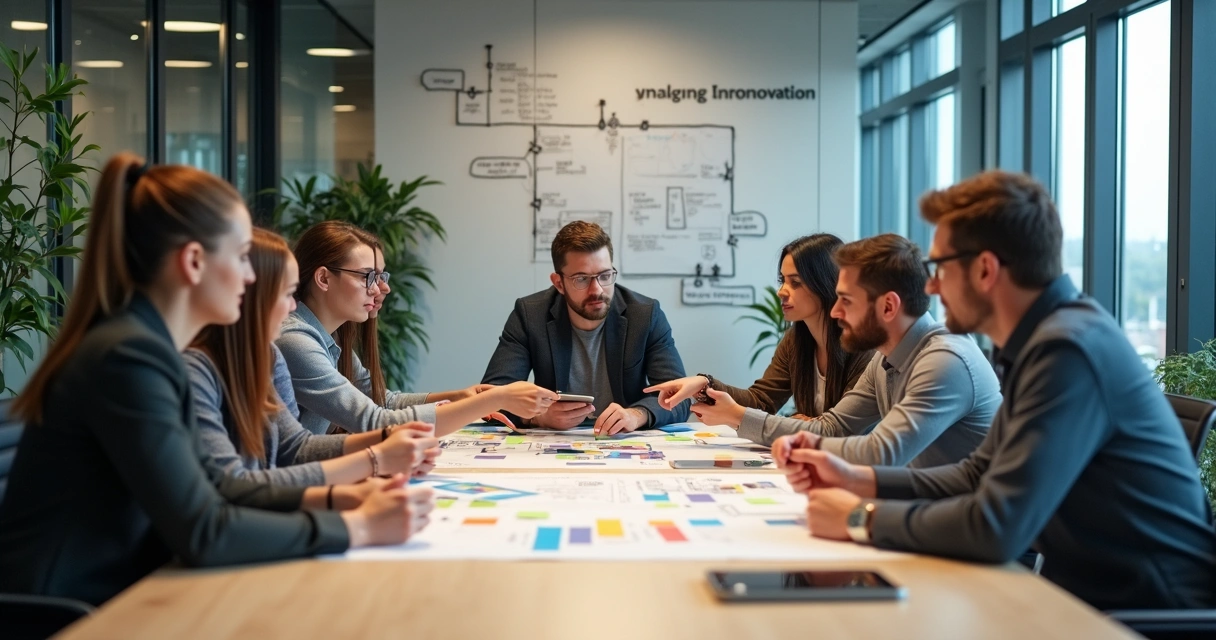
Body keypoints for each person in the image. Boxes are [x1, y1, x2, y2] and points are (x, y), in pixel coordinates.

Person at [0, 154, 433, 606]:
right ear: (193, 262)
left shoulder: (148, 348)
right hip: (71, 613)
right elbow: (205, 530)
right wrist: (357, 527)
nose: (251, 278)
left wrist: (341, 501)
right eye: (243, 256)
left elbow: (223, 486)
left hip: (129, 589)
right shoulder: (128, 358)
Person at [775, 171, 1216, 610]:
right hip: (1085, 596)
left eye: (939, 268)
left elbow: (995, 526)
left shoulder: (1067, 349)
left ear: (985, 269)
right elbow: (976, 474)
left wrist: (859, 517)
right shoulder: (1047, 338)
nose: (930, 286)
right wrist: (858, 478)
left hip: (1144, 615)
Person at [693, 234, 1000, 468]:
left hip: (980, 532)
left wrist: (794, 442)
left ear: (889, 306)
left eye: (846, 301)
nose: (836, 312)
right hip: (937, 508)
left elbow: (881, 452)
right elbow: (835, 429)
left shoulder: (944, 361)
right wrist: (794, 434)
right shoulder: (886, 359)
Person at [187, 228, 441, 486]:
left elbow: (295, 448)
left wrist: (382, 452)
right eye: (285, 294)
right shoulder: (289, 341)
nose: (292, 306)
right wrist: (376, 457)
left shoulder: (270, 353)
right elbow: (234, 489)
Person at [277, 220, 558, 436]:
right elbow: (374, 421)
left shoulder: (326, 339)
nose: (381, 288)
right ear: (324, 278)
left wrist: (458, 396)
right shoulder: (297, 342)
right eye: (368, 276)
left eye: (381, 276)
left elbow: (381, 400)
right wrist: (496, 398)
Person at [482, 221, 690, 434]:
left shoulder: (645, 315)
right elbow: (488, 397)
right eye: (581, 279)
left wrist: (636, 415)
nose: (597, 289)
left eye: (605, 276)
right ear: (559, 283)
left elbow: (679, 398)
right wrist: (537, 417)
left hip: (623, 441)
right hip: (554, 442)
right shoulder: (530, 315)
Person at [644, 234, 873, 421]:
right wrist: (705, 384)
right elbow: (762, 401)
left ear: (826, 282)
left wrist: (802, 424)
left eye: (796, 283)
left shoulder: (864, 346)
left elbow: (843, 429)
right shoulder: (795, 341)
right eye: (782, 280)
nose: (781, 291)